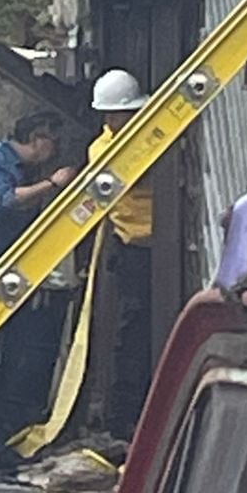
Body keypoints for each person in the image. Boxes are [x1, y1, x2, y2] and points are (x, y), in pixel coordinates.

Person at [0, 111, 76, 479]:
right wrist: (52, 185)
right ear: (37, 138)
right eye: (51, 143)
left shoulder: (19, 168)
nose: (52, 152)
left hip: (8, 268)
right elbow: (7, 200)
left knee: (6, 358)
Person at [88, 69, 152, 441]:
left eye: (118, 114)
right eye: (109, 115)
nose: (113, 120)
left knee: (144, 328)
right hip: (134, 246)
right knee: (132, 331)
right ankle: (123, 414)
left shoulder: (145, 134)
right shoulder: (104, 148)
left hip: (155, 245)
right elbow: (139, 174)